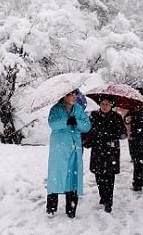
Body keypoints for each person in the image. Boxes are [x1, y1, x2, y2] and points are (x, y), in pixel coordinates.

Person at [46, 88, 92, 218]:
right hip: (59, 148)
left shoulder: (78, 109)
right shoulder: (55, 109)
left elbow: (87, 126)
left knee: (73, 177)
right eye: (70, 94)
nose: (74, 97)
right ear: (63, 96)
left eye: (75, 94)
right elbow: (52, 123)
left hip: (74, 147)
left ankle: (71, 209)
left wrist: (76, 122)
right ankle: (51, 207)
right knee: (56, 176)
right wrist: (66, 122)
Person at [83, 94, 126, 213]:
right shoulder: (94, 115)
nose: (105, 106)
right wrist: (87, 141)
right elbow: (88, 131)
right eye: (102, 104)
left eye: (107, 104)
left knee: (109, 177)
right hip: (97, 150)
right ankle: (103, 196)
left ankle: (109, 201)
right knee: (99, 176)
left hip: (111, 151)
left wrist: (111, 135)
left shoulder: (116, 117)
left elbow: (122, 133)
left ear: (111, 105)